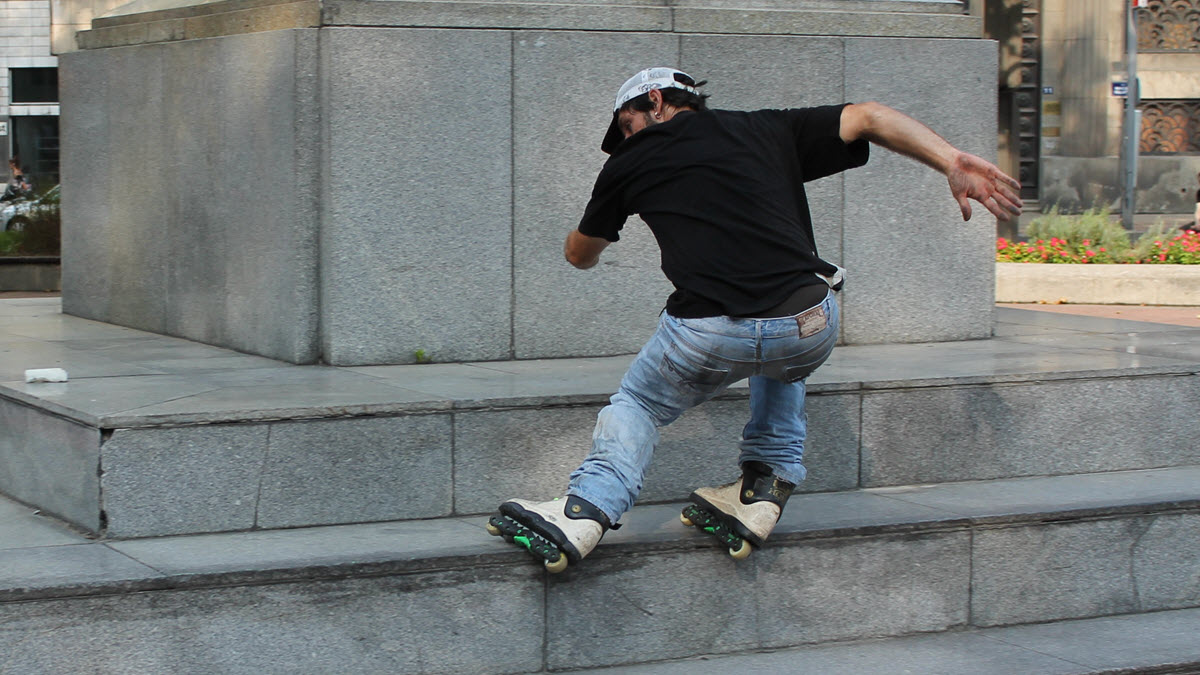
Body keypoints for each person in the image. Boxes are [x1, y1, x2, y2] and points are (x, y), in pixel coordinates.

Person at [492, 67, 1022, 569]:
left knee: (639, 403)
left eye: (627, 126)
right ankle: (762, 488)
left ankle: (586, 510)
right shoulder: (766, 129)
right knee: (784, 360)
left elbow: (580, 254)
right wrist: (951, 158)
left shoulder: (629, 162)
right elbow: (871, 116)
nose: (629, 140)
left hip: (708, 333)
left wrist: (593, 222)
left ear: (654, 100)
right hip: (813, 324)